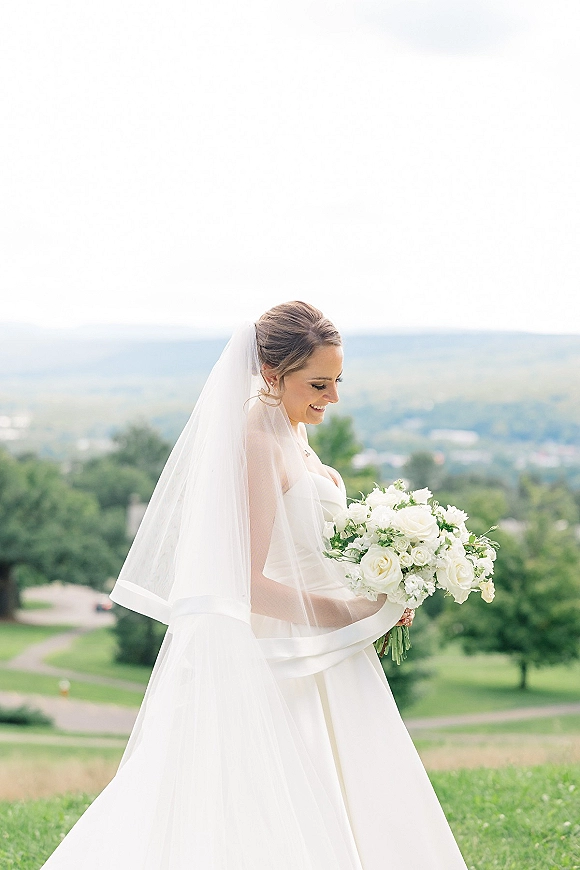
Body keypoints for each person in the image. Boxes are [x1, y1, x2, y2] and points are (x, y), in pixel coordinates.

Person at [39, 301, 468, 869]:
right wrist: (351, 611)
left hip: (325, 653)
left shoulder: (292, 432)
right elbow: (249, 584)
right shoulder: (255, 439)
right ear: (272, 374)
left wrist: (381, 590)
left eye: (338, 381)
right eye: (318, 382)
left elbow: (307, 551)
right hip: (276, 657)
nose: (332, 397)